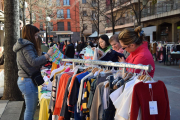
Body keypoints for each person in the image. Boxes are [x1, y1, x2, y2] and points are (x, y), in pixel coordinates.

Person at [13, 24, 53, 120]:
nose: (37, 37)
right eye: (35, 35)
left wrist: (42, 62)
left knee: (29, 110)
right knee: (30, 111)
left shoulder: (24, 45)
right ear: (30, 34)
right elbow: (33, 61)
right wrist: (47, 55)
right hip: (27, 81)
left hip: (25, 80)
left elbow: (30, 62)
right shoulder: (27, 46)